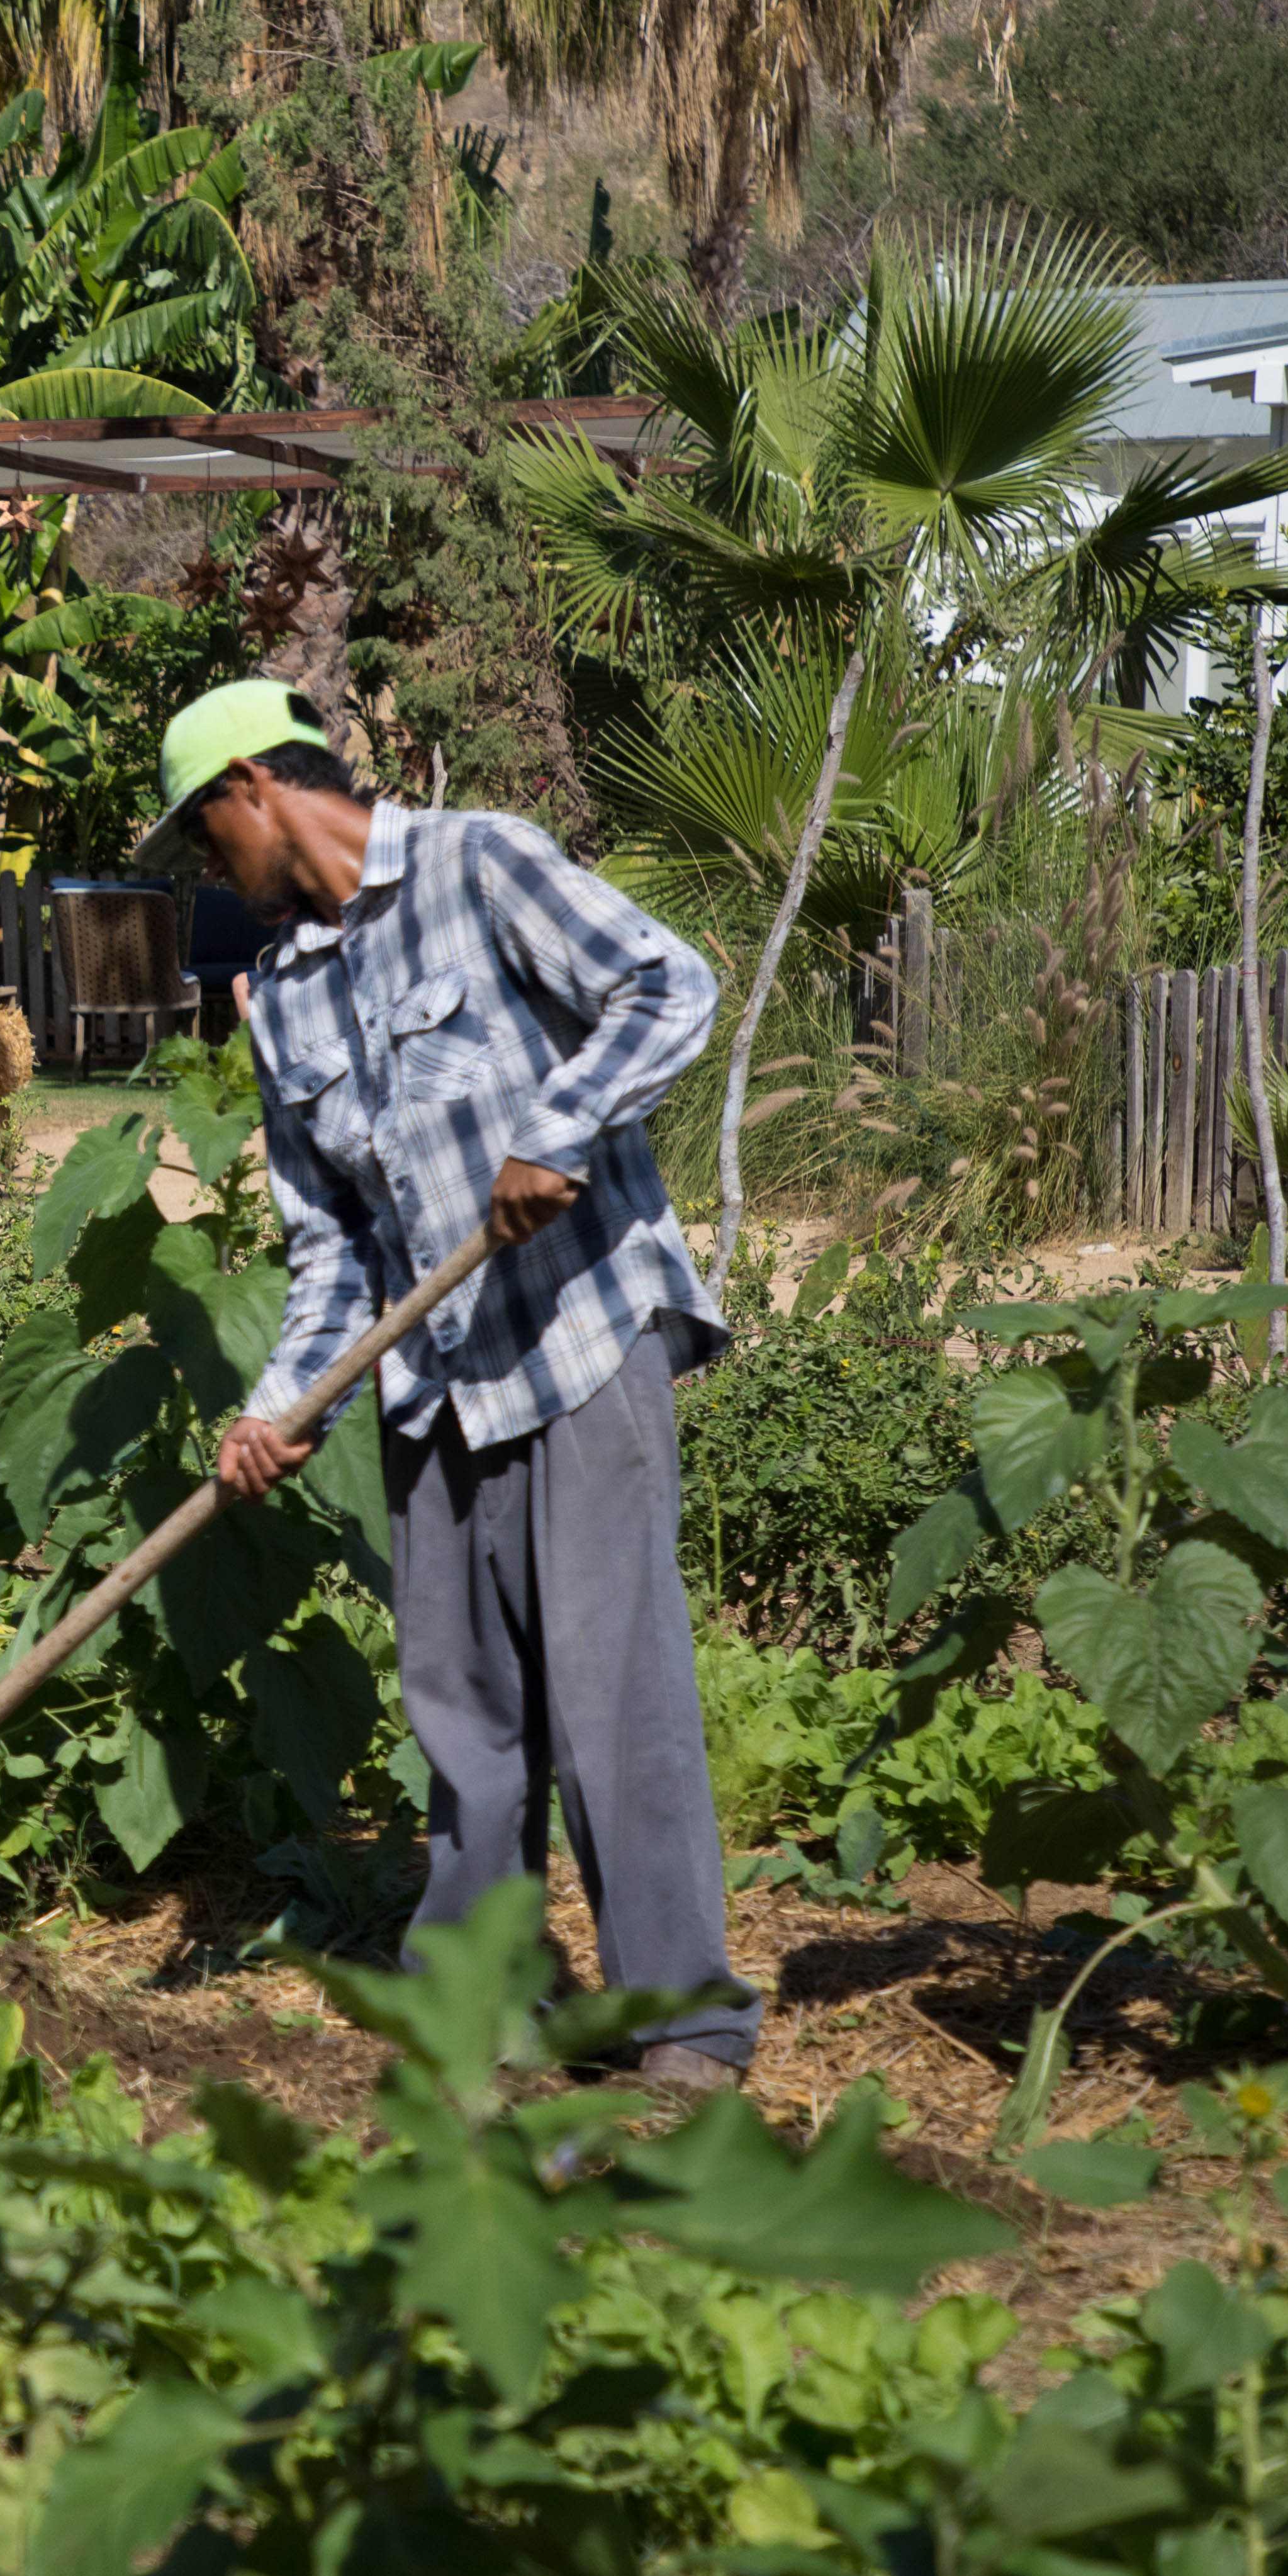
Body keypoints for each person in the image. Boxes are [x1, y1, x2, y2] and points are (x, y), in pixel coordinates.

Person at [133, 678, 757, 2090]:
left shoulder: (482, 862)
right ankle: (481, 2006)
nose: (207, 874)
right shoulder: (281, 998)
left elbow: (671, 983)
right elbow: (330, 1248)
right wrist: (283, 1405)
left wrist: (559, 1128)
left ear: (252, 789)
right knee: (465, 1717)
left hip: (581, 1335)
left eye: (202, 840)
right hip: (433, 1381)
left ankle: (687, 2028)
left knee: (613, 1701)